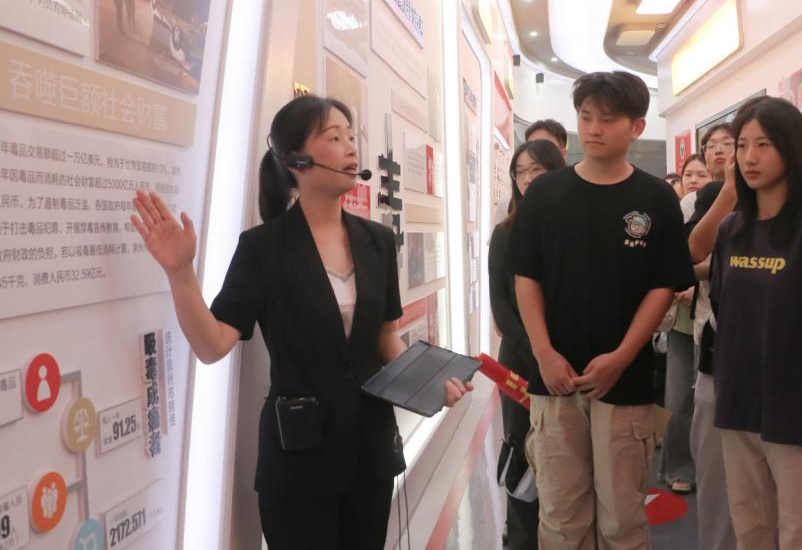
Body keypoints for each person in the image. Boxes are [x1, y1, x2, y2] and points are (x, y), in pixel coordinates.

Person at [129, 95, 470, 550]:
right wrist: (179, 273)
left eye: (351, 136)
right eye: (334, 137)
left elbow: (385, 337)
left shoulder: (377, 241)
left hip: (369, 452)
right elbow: (212, 345)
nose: (351, 147)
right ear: (297, 161)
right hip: (298, 459)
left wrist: (428, 383)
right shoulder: (262, 248)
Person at [506, 71, 694, 550]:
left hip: (626, 382)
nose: (593, 129)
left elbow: (663, 286)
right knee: (561, 519)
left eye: (607, 119)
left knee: (622, 520)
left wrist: (623, 356)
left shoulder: (656, 199)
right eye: (586, 117)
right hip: (555, 380)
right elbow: (526, 278)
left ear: (636, 127)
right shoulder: (545, 195)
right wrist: (543, 353)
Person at [709, 96, 802, 550]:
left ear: (791, 150)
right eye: (742, 145)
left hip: (798, 409)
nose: (749, 157)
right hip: (737, 405)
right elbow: (724, 308)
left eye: (764, 145)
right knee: (752, 531)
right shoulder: (731, 230)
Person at [489, 139, 566, 550]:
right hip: (519, 362)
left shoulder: (573, 231)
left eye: (538, 169)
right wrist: (537, 351)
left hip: (567, 361)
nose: (529, 178)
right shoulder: (505, 233)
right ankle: (522, 540)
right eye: (521, 171)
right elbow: (501, 307)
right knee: (522, 456)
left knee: (565, 457)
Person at [685, 122, 739, 550]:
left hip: (780, 365)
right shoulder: (707, 199)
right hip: (714, 340)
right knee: (716, 465)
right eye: (714, 146)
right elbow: (688, 256)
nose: (724, 153)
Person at [658, 153, 710, 495]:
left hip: (714, 322)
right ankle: (678, 468)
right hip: (681, 322)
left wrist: (697, 283)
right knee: (678, 398)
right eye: (689, 174)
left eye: (700, 174)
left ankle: (708, 469)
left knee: (708, 400)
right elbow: (671, 257)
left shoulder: (729, 206)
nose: (694, 180)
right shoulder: (679, 211)